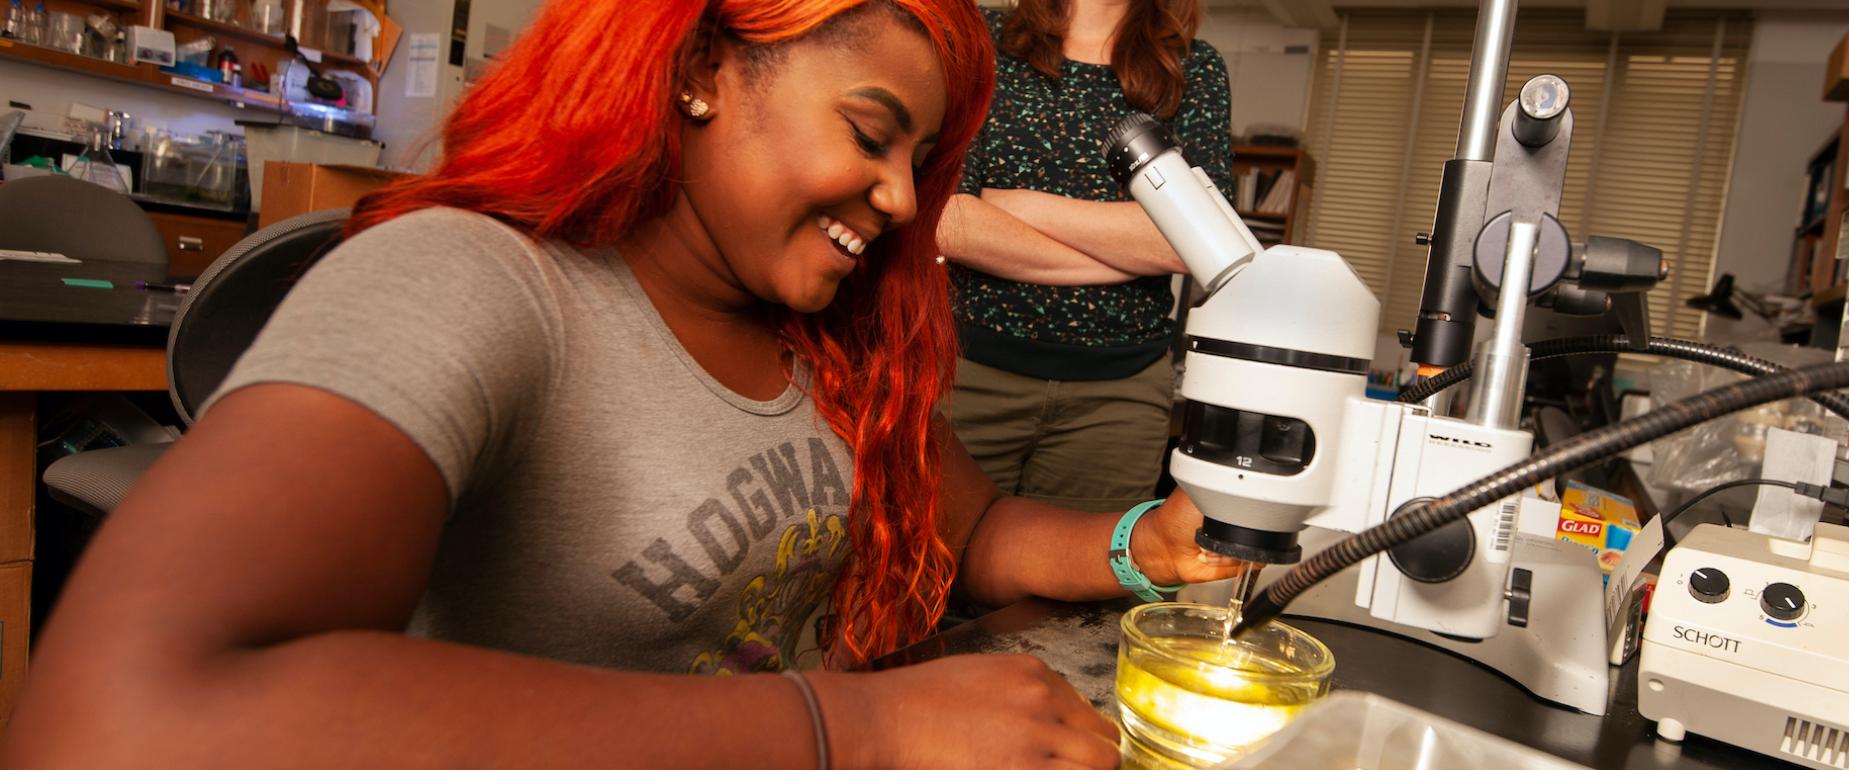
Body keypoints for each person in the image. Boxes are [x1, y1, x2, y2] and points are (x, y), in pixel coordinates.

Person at [1, 1, 1238, 767]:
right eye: (871, 135)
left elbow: (977, 531)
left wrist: (1154, 544)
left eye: (919, 157)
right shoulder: (476, 286)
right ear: (700, 68)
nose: (906, 199)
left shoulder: (819, 344)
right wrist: (857, 731)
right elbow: (133, 718)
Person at [938, 0, 1233, 514]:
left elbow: (1202, 242)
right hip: (967, 375)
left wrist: (1012, 203)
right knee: (925, 573)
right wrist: (1144, 244)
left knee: (1081, 588)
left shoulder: (1193, 67)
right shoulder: (979, 36)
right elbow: (950, 222)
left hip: (1119, 401)